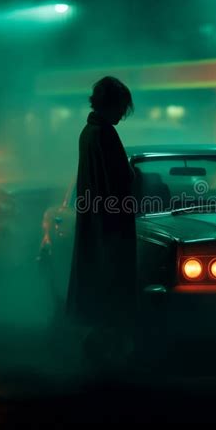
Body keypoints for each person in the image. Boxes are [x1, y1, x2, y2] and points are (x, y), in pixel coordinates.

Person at [67, 76, 137, 369]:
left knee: (101, 291)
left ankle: (100, 355)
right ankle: (106, 357)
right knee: (115, 294)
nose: (123, 113)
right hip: (111, 226)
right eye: (121, 106)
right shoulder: (104, 134)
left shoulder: (89, 131)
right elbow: (120, 181)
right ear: (110, 104)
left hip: (97, 221)